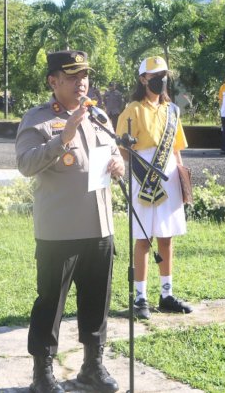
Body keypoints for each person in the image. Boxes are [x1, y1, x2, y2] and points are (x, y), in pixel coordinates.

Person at [16, 50, 124, 393]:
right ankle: (42, 373)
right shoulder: (38, 119)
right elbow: (26, 165)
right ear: (53, 81)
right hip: (59, 230)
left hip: (99, 227)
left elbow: (115, 155)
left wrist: (119, 166)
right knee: (50, 302)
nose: (82, 83)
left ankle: (93, 365)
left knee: (97, 299)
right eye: (73, 77)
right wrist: (62, 137)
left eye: (85, 76)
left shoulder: (100, 117)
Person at [116, 56, 193, 322]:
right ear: (142, 80)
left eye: (163, 75)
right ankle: (140, 297)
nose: (161, 79)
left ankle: (167, 294)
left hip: (169, 175)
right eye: (155, 75)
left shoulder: (173, 110)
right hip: (144, 179)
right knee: (144, 238)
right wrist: (140, 168)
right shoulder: (133, 110)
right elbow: (122, 152)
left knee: (166, 237)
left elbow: (176, 149)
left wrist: (182, 182)